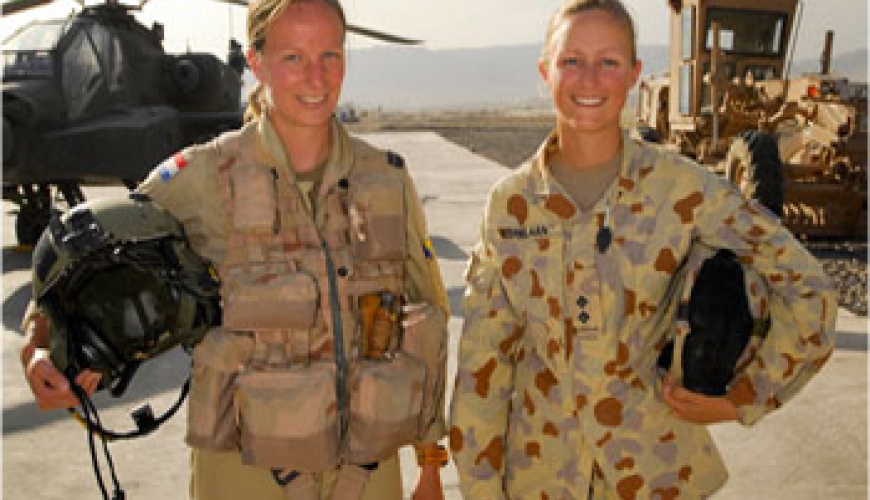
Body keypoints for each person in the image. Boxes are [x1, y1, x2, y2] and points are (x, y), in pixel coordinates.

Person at [20, 1, 449, 499]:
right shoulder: (201, 177)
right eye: (293, 57)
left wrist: (431, 468)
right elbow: (86, 263)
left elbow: (427, 318)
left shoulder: (388, 179)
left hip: (370, 472)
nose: (316, 76)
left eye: (330, 54)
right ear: (257, 62)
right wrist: (40, 343)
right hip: (247, 476)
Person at [447, 1, 837, 498]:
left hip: (656, 474)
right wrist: (481, 489)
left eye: (609, 62)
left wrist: (745, 398)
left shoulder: (686, 192)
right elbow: (483, 364)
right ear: (546, 71)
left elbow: (809, 291)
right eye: (571, 60)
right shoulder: (511, 205)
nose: (589, 79)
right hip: (539, 479)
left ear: (633, 74)